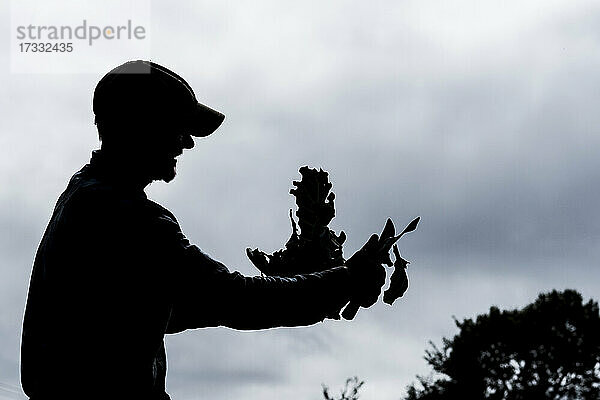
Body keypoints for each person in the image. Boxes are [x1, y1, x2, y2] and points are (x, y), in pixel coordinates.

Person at [20, 60, 391, 400]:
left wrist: (314, 286)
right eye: (177, 127)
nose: (187, 142)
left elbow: (162, 310)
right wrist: (343, 281)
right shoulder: (130, 217)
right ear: (141, 125)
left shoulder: (81, 196)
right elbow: (234, 300)